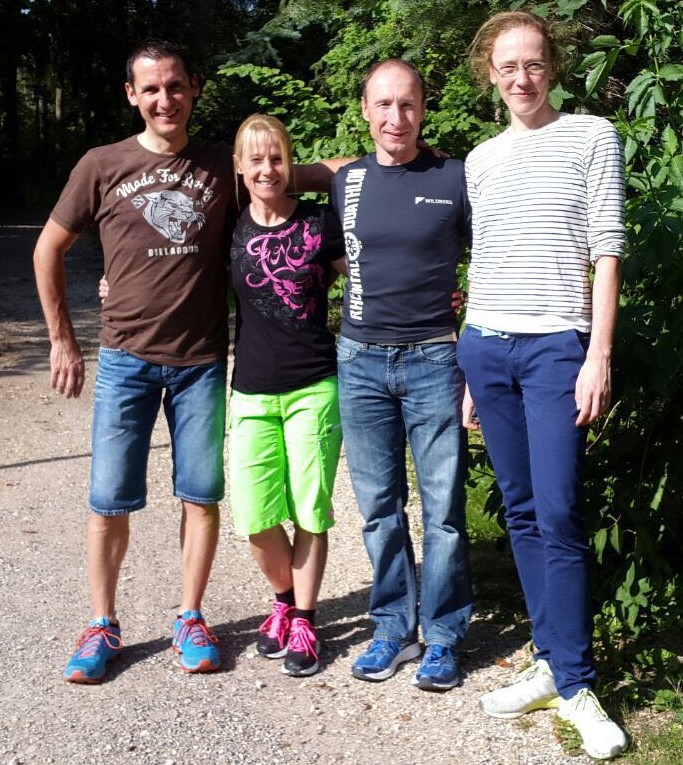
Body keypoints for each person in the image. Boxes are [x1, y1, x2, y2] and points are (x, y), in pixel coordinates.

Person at [33, 39, 339, 684]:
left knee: (200, 497)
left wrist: (403, 161)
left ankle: (190, 616)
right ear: (132, 95)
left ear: (194, 87)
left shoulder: (225, 164)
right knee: (108, 501)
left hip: (200, 362)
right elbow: (48, 248)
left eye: (175, 86)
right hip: (125, 359)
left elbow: (313, 172)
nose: (164, 99)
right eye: (151, 88)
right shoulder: (101, 164)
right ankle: (101, 624)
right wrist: (62, 340)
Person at [455, 11, 627, 759]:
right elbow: (486, 255)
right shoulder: (480, 159)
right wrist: (469, 374)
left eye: (532, 63)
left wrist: (598, 355)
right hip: (485, 347)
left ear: (550, 66)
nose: (520, 77)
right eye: (507, 66)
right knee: (521, 511)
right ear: (489, 75)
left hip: (558, 347)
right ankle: (551, 662)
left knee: (557, 510)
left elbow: (607, 249)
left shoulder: (592, 136)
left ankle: (576, 682)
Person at [329, 59, 473, 692]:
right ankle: (392, 627)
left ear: (423, 109)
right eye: (383, 104)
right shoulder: (347, 181)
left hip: (434, 359)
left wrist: (468, 318)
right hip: (359, 360)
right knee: (378, 508)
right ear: (364, 110)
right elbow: (326, 256)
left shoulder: (455, 177)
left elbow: (490, 258)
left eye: (408, 104)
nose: (396, 117)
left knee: (443, 509)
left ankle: (442, 635)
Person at [228, 114, 345, 677]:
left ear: (290, 162)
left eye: (276, 157)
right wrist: (115, 283)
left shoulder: (321, 222)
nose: (267, 169)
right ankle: (282, 599)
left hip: (314, 385)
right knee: (254, 515)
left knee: (309, 510)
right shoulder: (228, 226)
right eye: (256, 159)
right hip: (250, 390)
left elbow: (368, 277)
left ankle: (304, 618)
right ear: (239, 167)